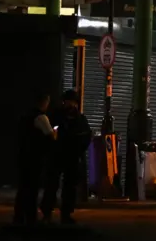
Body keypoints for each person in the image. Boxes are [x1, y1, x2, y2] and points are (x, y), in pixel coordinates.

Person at [40, 89, 91, 224]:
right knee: (51, 185)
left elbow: (86, 137)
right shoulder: (56, 116)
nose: (70, 105)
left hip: (72, 157)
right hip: (56, 156)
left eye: (72, 102)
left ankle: (66, 214)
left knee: (70, 187)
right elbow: (49, 135)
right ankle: (47, 213)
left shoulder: (80, 119)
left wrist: (78, 150)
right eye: (67, 102)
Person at [13, 92, 56, 226]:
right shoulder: (41, 117)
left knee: (23, 188)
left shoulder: (25, 117)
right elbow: (51, 136)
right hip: (35, 158)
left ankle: (19, 217)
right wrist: (55, 133)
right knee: (32, 189)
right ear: (45, 102)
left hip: (24, 156)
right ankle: (31, 217)